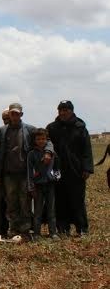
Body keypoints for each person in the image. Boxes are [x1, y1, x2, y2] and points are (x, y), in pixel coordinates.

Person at [0, 102, 53, 237]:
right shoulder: (2, 131)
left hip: (24, 174)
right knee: (11, 202)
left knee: (25, 201)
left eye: (17, 113)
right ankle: (13, 228)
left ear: (21, 114)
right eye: (12, 113)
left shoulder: (30, 129)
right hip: (8, 174)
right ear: (9, 114)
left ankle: (26, 229)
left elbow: (47, 140)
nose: (14, 116)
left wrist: (48, 152)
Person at [46, 100, 94, 237]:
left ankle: (82, 228)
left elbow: (87, 150)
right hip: (57, 169)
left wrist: (87, 168)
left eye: (65, 110)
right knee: (60, 200)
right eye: (60, 110)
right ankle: (63, 228)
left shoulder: (80, 127)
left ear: (72, 111)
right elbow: (46, 145)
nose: (62, 113)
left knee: (77, 199)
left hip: (76, 170)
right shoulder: (52, 128)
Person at [27, 129, 60, 240]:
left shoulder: (52, 153)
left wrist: (56, 176)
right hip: (38, 186)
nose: (41, 141)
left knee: (51, 210)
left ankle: (53, 233)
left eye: (43, 139)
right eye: (38, 139)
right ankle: (36, 233)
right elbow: (29, 171)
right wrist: (31, 187)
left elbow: (57, 167)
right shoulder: (31, 154)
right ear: (34, 140)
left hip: (50, 184)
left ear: (47, 139)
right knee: (37, 211)